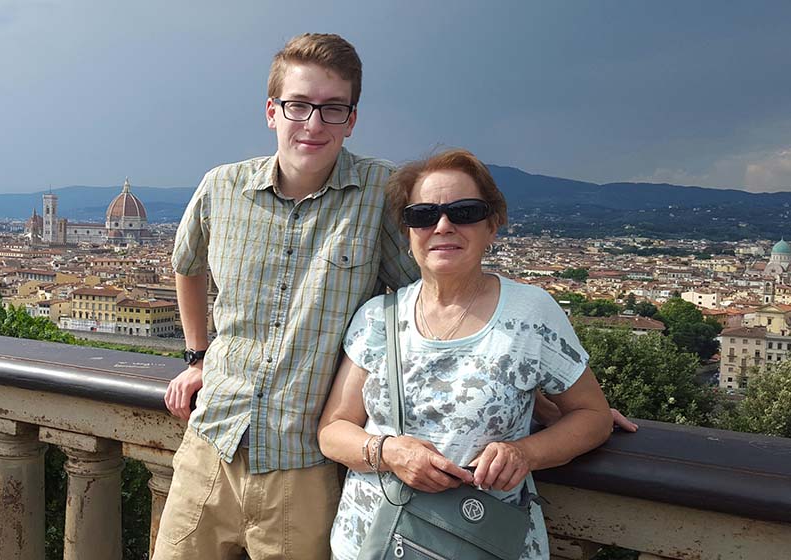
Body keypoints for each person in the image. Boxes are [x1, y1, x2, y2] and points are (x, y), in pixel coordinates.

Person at [157, 33, 418, 559]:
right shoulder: (221, 187)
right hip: (210, 445)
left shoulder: (381, 194)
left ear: (352, 119)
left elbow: (437, 297)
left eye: (332, 109)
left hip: (305, 467)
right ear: (272, 112)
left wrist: (545, 393)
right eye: (299, 106)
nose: (314, 124)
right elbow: (187, 267)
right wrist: (196, 355)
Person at [317, 148, 615, 560]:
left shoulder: (531, 314)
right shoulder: (377, 319)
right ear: (406, 233)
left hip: (484, 542)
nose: (442, 225)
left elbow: (593, 417)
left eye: (464, 211)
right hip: (370, 542)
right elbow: (334, 429)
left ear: (492, 225)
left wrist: (523, 453)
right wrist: (391, 453)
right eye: (422, 215)